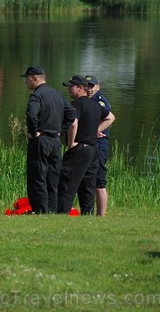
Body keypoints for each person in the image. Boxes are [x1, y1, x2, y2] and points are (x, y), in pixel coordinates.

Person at [22, 66, 77, 214]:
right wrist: (60, 130)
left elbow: (32, 115)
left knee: (37, 175)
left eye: (27, 79)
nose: (25, 82)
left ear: (35, 78)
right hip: (55, 142)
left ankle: (40, 210)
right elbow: (71, 114)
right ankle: (52, 209)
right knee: (53, 177)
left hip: (41, 141)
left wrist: (33, 132)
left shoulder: (37, 95)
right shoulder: (57, 94)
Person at [57, 75, 115, 215]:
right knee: (87, 185)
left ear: (80, 88)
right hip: (93, 149)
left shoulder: (77, 104)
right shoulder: (95, 105)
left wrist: (71, 143)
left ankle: (61, 213)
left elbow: (73, 123)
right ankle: (87, 213)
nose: (69, 89)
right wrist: (95, 131)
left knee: (67, 181)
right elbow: (110, 117)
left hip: (80, 148)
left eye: (71, 87)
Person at [85, 75, 112, 216]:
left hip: (100, 145)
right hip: (91, 144)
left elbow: (110, 118)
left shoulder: (99, 102)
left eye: (92, 86)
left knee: (99, 181)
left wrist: (95, 131)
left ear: (98, 87)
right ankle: (89, 212)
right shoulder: (87, 101)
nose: (89, 89)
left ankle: (101, 215)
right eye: (87, 86)